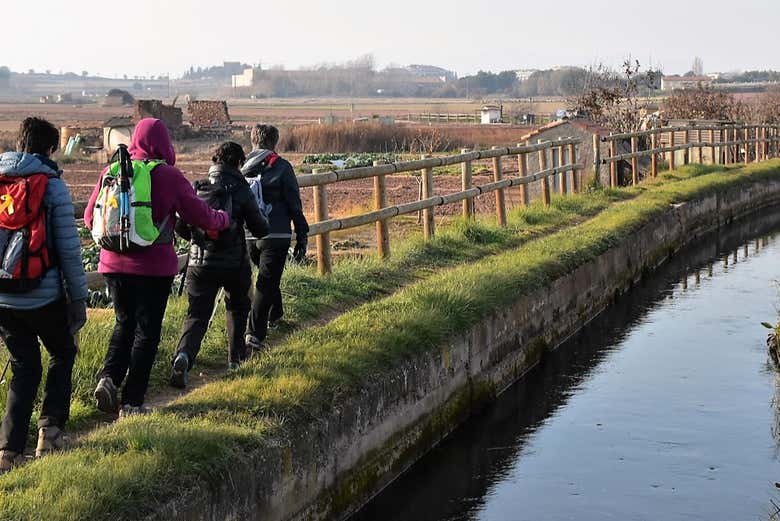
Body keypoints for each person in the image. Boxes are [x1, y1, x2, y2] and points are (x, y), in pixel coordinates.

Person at [84, 118, 230, 416]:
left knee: (124, 323)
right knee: (147, 332)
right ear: (164, 142)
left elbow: (90, 218)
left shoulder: (112, 170)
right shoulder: (168, 175)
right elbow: (201, 215)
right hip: (152, 268)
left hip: (113, 265)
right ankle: (132, 402)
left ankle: (109, 379)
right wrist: (223, 220)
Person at [0, 117, 87, 473]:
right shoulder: (51, 186)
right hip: (42, 294)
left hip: (2, 297)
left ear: (19, 142)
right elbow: (68, 249)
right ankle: (49, 432)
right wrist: (79, 299)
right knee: (62, 352)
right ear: (50, 149)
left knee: (24, 366)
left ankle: (8, 452)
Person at [169, 142, 268, 388]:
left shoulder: (197, 187)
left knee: (197, 314)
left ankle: (183, 356)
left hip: (200, 264)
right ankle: (235, 360)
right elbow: (260, 228)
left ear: (214, 161)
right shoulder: (242, 190)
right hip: (235, 262)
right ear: (238, 163)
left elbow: (181, 225)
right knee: (237, 307)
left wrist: (199, 240)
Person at [241, 124, 308, 351]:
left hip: (249, 233)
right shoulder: (281, 166)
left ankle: (275, 314)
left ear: (253, 140)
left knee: (267, 276)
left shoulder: (241, 166)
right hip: (276, 233)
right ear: (274, 142)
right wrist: (301, 234)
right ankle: (254, 334)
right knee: (266, 282)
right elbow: (293, 204)